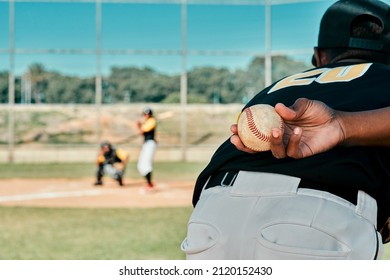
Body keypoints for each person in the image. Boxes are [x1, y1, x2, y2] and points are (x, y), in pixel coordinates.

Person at [181, 0, 390, 259]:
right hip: (319, 220)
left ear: (319, 56)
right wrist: (342, 125)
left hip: (212, 211)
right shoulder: (384, 77)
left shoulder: (279, 86)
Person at [135, 107, 157, 190]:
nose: (145, 116)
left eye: (146, 114)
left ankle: (149, 184)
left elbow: (142, 131)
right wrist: (140, 125)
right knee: (141, 165)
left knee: (146, 163)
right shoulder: (148, 122)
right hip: (146, 144)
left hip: (150, 143)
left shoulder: (152, 121)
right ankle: (149, 183)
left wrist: (139, 125)